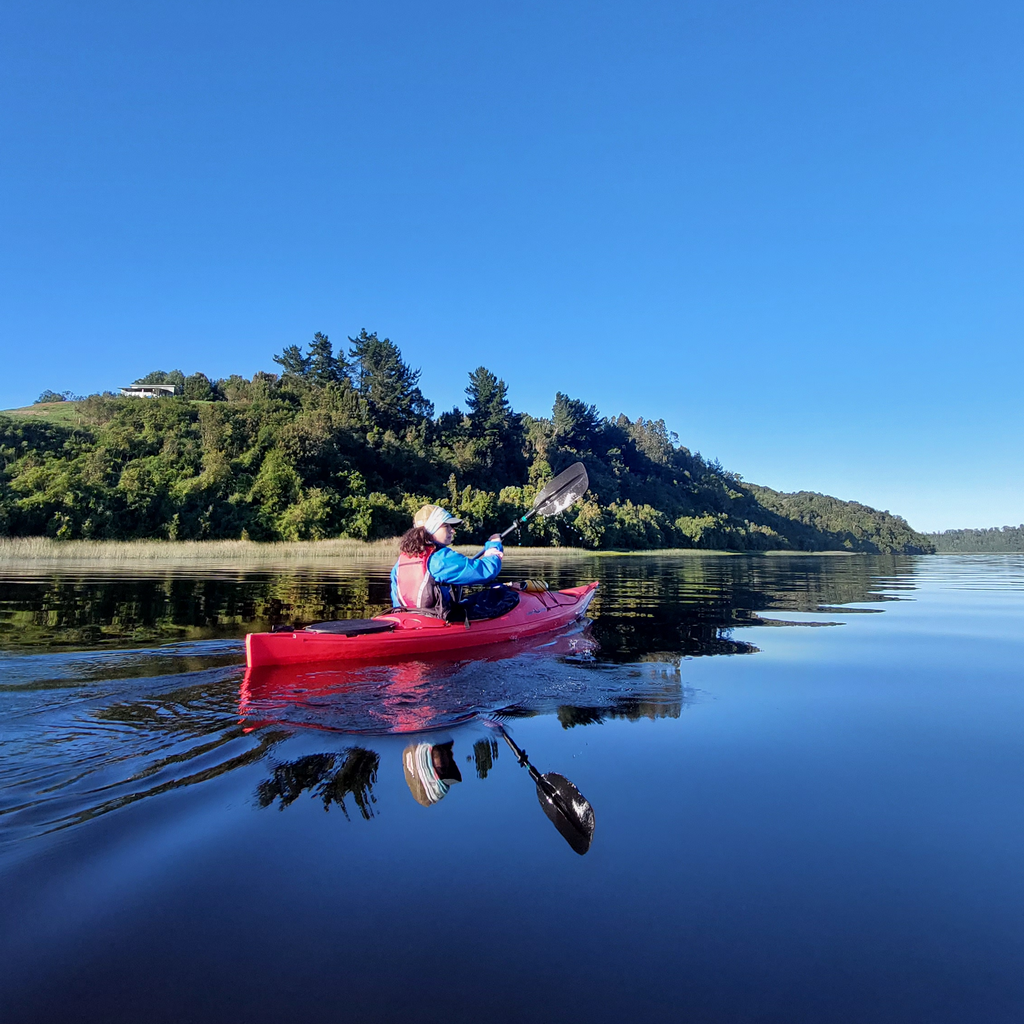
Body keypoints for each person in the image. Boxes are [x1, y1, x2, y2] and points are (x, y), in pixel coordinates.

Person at [390, 504, 503, 616]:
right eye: (446, 526)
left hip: (407, 618)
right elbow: (487, 571)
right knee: (500, 594)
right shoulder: (441, 559)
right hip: (437, 620)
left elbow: (396, 602)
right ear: (432, 528)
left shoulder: (400, 562)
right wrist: (494, 546)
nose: (452, 531)